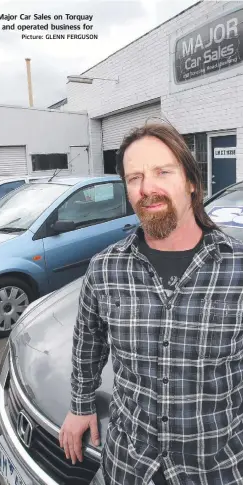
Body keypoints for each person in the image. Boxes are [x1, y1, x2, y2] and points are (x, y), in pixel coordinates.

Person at [59, 123, 243, 485]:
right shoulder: (105, 268)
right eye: (134, 178)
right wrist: (80, 406)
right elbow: (88, 343)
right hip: (129, 466)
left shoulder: (237, 268)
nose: (147, 188)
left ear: (192, 181)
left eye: (162, 171)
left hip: (214, 468)